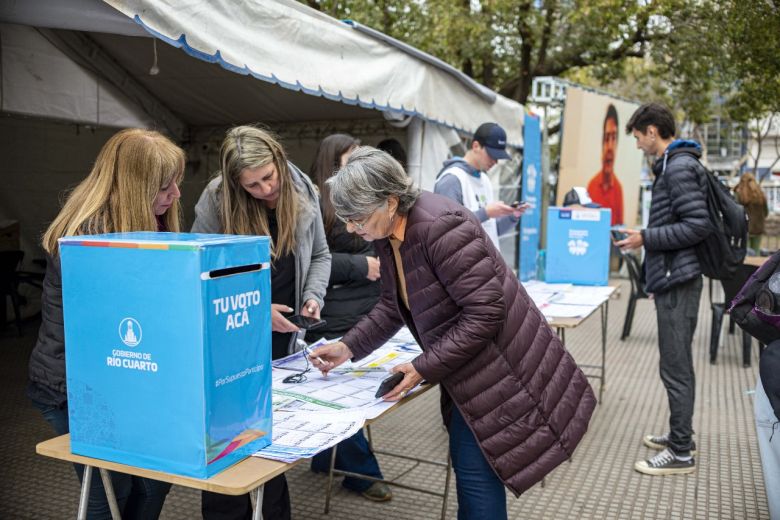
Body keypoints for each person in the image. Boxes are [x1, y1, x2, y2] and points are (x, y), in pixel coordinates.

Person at [311, 146, 596, 519]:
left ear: (391, 201)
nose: (352, 228)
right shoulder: (389, 231)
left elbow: (486, 313)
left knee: (476, 477)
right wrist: (348, 346)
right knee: (474, 471)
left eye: (357, 218)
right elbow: (392, 304)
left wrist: (422, 367)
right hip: (475, 367)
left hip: (501, 370)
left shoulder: (440, 225)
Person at [27, 128, 185, 519]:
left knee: (154, 482)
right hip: (74, 388)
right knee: (112, 488)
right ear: (135, 186)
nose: (176, 195)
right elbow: (125, 322)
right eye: (166, 187)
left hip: (125, 383)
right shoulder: (86, 238)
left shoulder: (148, 220)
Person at [192, 125, 330, 520]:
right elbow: (197, 275)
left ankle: (270, 512)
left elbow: (321, 255)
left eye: (268, 177)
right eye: (251, 185)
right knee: (230, 442)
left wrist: (312, 296)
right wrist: (256, 313)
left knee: (269, 441)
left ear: (279, 159)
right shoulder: (216, 200)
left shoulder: (304, 190)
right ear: (236, 185)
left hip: (283, 342)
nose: (265, 190)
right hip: (231, 343)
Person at [617, 102, 711, 476]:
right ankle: (678, 435)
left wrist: (647, 237)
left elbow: (697, 225)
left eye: (639, 136)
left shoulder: (679, 168)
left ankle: (682, 451)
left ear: (653, 131)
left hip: (680, 281)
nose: (638, 143)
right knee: (675, 365)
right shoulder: (674, 165)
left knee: (675, 368)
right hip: (675, 278)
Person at [305, 133, 391, 502]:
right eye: (350, 158)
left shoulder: (362, 196)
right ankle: (360, 473)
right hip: (336, 313)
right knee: (337, 394)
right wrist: (361, 265)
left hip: (367, 308)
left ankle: (327, 459)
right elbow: (314, 259)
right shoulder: (316, 202)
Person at [434, 122, 526, 248]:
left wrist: (513, 216)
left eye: (498, 157)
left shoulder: (484, 179)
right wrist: (486, 213)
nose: (495, 161)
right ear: (476, 146)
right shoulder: (451, 180)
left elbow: (493, 231)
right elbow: (447, 230)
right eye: (492, 154)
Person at [587, 104, 624, 225]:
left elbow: (620, 228)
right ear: (602, 144)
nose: (609, 148)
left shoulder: (618, 189)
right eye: (607, 138)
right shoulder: (592, 186)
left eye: (614, 138)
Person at [734, 172, 769, 254]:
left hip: (745, 228)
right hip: (758, 227)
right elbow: (766, 213)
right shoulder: (761, 195)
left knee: (746, 254)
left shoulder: (739, 195)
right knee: (756, 253)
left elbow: (735, 212)